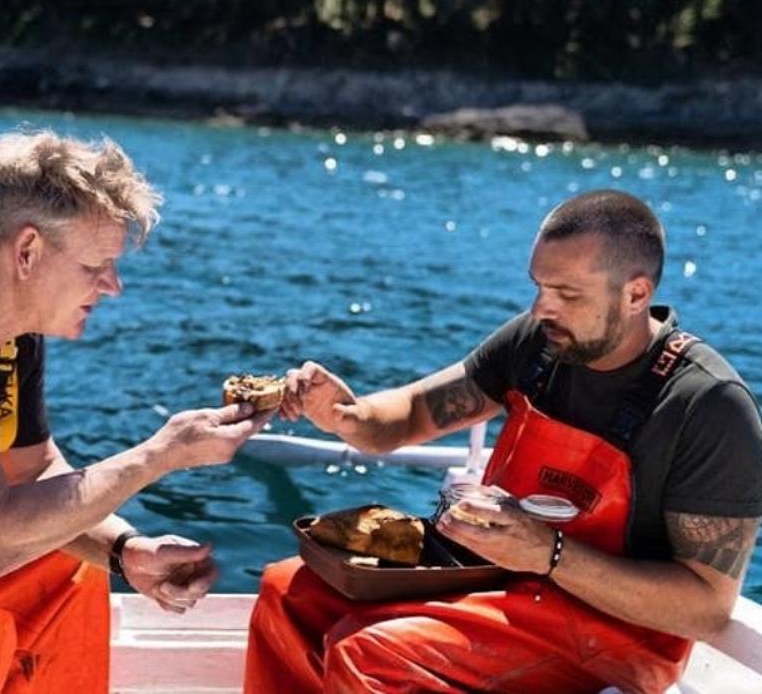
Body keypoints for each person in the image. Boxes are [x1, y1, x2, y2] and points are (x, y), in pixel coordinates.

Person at [245, 189, 762, 694]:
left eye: (567, 295)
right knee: (287, 593)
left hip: (617, 634)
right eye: (539, 286)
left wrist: (549, 554)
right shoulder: (538, 344)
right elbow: (413, 414)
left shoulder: (709, 404)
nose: (541, 309)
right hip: (498, 581)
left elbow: (706, 609)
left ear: (636, 294)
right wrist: (346, 415)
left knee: (375, 657)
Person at [0, 129, 271, 694]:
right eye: (96, 265)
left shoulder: (7, 329)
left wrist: (124, 550)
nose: (113, 286)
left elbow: (32, 472)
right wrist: (161, 455)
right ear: (27, 251)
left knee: (69, 570)